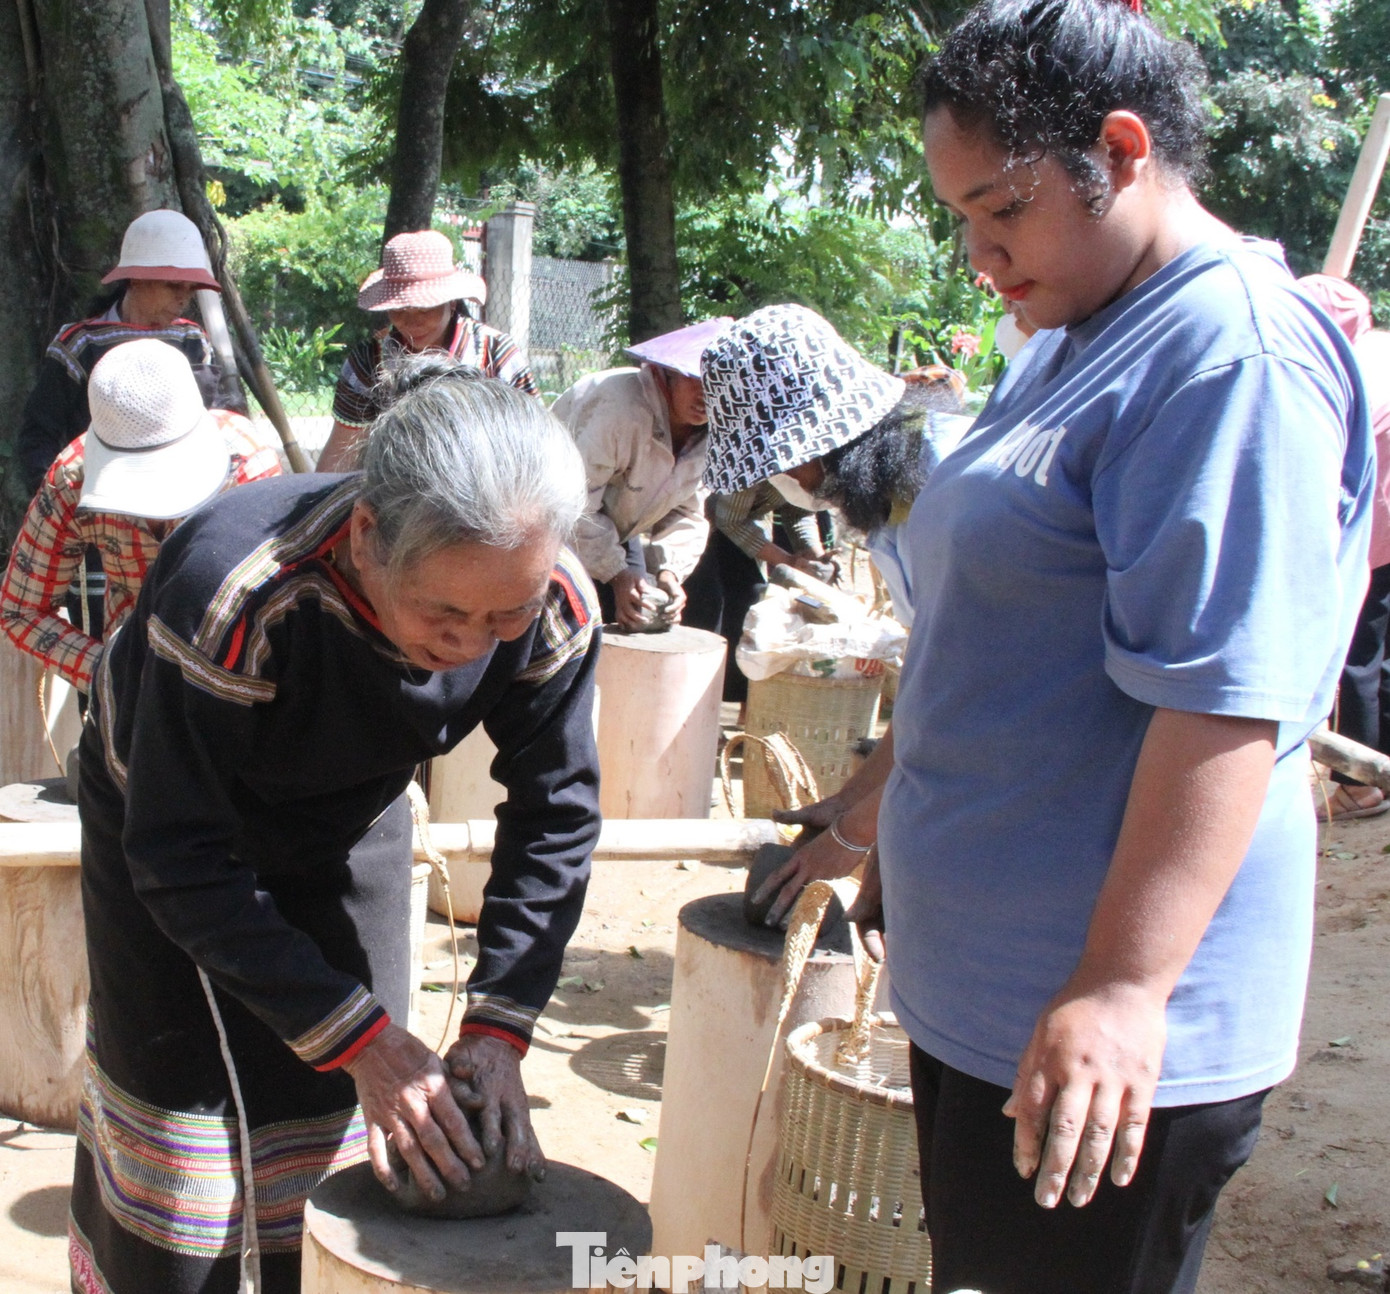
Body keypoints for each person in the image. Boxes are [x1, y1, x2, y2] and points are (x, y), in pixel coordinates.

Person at [861, 3, 1373, 1291]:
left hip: (1087, 1035)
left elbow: (1224, 705)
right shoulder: (1081, 318)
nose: (981, 256)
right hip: (997, 996)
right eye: (962, 222)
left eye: (1001, 210)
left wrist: (1122, 986)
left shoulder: (1223, 360)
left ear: (1122, 151)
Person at [69, 356, 600, 1293]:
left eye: (503, 616)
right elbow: (178, 854)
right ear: (365, 540)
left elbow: (556, 812)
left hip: (351, 801)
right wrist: (370, 1043)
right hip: (167, 816)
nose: (472, 646)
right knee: (187, 1113)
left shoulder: (550, 603)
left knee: (345, 1096)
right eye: (444, 612)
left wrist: (497, 1026)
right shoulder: (237, 588)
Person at [699, 305, 971, 909]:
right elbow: (933, 680)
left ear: (837, 434)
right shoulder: (888, 511)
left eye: (791, 461)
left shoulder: (956, 491)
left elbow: (976, 701)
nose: (791, 481)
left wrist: (856, 835)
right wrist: (849, 800)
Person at [0, 340, 280, 695]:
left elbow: (279, 606)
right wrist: (111, 674)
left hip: (242, 676)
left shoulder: (248, 469)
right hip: (135, 668)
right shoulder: (73, 481)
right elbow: (20, 608)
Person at [16, 209, 228, 499]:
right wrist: (57, 501)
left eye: (190, 290)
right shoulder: (80, 344)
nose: (183, 299)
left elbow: (214, 420)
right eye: (173, 286)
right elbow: (38, 434)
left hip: (180, 495)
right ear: (136, 280)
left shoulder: (192, 340)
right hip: (98, 496)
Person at [552, 317, 730, 628]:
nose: (705, 395)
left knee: (638, 615)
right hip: (547, 523)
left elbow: (688, 511)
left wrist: (669, 572)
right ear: (669, 375)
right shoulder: (617, 409)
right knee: (565, 622)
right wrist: (618, 574)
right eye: (694, 380)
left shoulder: (711, 435)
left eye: (717, 386)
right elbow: (571, 508)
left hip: (615, 530)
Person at [317, 230, 539, 471]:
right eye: (400, 308)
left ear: (451, 302)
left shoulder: (496, 355)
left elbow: (535, 442)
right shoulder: (367, 362)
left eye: (424, 309)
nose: (412, 322)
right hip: (395, 489)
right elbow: (340, 456)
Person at [1298, 274, 1390, 820]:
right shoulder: (1379, 359)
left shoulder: (1339, 376)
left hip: (1369, 538)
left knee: (1356, 658)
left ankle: (1359, 785)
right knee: (1380, 657)